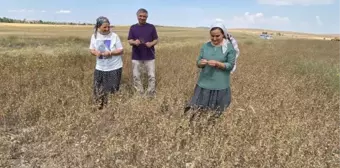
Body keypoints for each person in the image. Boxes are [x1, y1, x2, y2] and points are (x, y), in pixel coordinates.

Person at [184, 22, 236, 117]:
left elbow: (230, 66)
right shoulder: (205, 46)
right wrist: (200, 63)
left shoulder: (229, 48)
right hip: (204, 83)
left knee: (216, 112)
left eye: (217, 36)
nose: (214, 38)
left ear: (223, 34)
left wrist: (218, 64)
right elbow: (198, 62)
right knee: (199, 110)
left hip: (220, 85)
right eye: (212, 36)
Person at [89, 16, 124, 109]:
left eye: (108, 26)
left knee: (112, 90)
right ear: (98, 27)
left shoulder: (114, 36)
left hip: (114, 67)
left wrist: (111, 52)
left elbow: (121, 50)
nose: (107, 29)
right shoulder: (94, 36)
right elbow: (91, 49)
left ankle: (111, 108)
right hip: (100, 67)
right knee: (98, 90)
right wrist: (96, 53)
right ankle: (99, 107)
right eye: (105, 27)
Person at [127, 8, 159, 97]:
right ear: (137, 16)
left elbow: (156, 39)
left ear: (147, 17)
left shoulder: (151, 27)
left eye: (144, 16)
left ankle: (150, 94)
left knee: (151, 76)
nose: (142, 18)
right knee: (136, 76)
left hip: (149, 56)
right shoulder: (133, 27)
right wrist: (134, 42)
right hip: (136, 56)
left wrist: (151, 43)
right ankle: (139, 93)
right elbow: (129, 41)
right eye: (140, 16)